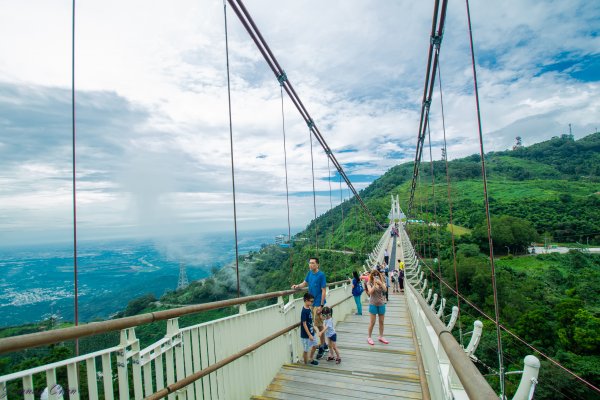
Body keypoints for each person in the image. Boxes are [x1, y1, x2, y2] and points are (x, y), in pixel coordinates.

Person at [292, 257, 327, 358]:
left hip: (318, 304)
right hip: (311, 303)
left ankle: (322, 346)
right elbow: (304, 283)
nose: (310, 265)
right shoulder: (309, 273)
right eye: (310, 263)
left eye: (312, 263)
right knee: (315, 324)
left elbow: (323, 290)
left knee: (319, 325)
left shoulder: (321, 275)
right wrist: (297, 286)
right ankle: (322, 345)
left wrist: (321, 305)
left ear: (317, 265)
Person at [366, 269, 389, 345]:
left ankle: (381, 336)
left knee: (381, 322)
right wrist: (375, 286)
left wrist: (380, 283)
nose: (376, 276)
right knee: (372, 322)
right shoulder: (369, 283)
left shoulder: (382, 282)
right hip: (373, 304)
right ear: (371, 275)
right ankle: (369, 337)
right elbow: (370, 292)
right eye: (374, 274)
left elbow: (385, 290)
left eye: (377, 274)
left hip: (381, 304)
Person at [299, 293, 319, 365]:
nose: (312, 303)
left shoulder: (309, 308)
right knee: (306, 350)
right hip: (306, 335)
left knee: (315, 345)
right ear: (306, 300)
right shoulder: (304, 311)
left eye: (313, 301)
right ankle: (305, 363)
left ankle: (310, 359)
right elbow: (304, 324)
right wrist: (309, 335)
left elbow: (310, 321)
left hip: (311, 332)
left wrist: (315, 329)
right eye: (311, 301)